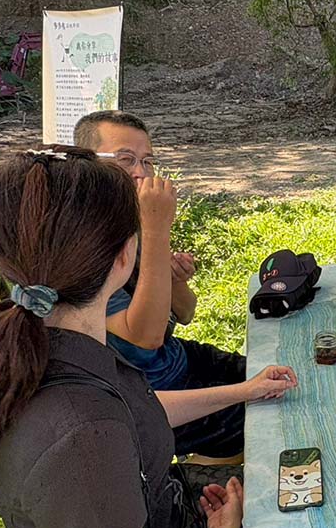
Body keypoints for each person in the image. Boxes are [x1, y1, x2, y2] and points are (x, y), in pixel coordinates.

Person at [0, 148, 297, 528]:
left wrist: (243, 391)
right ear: (125, 257)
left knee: (292, 495)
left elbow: (136, 410)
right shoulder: (77, 426)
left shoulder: (46, 345)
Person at [73, 111, 249, 459]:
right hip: (149, 395)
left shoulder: (128, 224)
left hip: (177, 360)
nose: (141, 172)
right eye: (125, 159)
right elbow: (145, 339)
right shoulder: (83, 244)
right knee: (260, 417)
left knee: (274, 373)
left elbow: (186, 312)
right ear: (88, 164)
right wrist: (157, 229)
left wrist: (172, 277)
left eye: (148, 161)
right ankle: (207, 472)